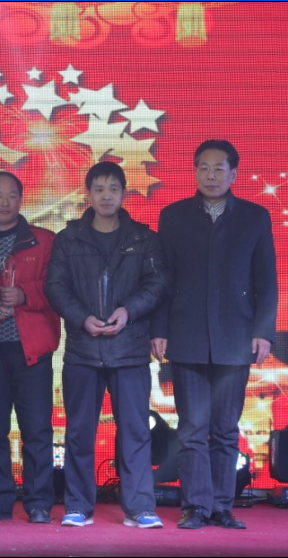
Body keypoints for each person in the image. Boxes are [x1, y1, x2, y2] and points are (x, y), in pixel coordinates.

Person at [150, 140, 278, 530]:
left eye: (218, 168)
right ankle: (195, 506)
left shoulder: (255, 217)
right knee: (192, 429)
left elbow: (267, 282)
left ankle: (222, 506)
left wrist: (263, 332)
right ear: (194, 171)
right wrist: (159, 329)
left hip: (235, 337)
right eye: (203, 167)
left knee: (224, 430)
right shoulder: (173, 216)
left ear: (233, 174)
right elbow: (162, 279)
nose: (210, 175)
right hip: (186, 334)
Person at [45, 161, 169, 529]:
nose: (106, 196)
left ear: (123, 194)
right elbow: (55, 287)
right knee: (79, 432)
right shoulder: (69, 239)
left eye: (113, 189)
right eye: (98, 189)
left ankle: (140, 507)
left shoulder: (143, 239)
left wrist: (128, 311)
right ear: (87, 194)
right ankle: (78, 506)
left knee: (136, 431)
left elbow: (158, 284)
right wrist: (82, 317)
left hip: (129, 349)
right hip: (83, 349)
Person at [0, 171, 60, 524]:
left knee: (37, 430)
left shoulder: (44, 240)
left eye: (12, 195)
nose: (5, 202)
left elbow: (58, 287)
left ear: (21, 200)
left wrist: (25, 294)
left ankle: (39, 501)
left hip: (32, 350)